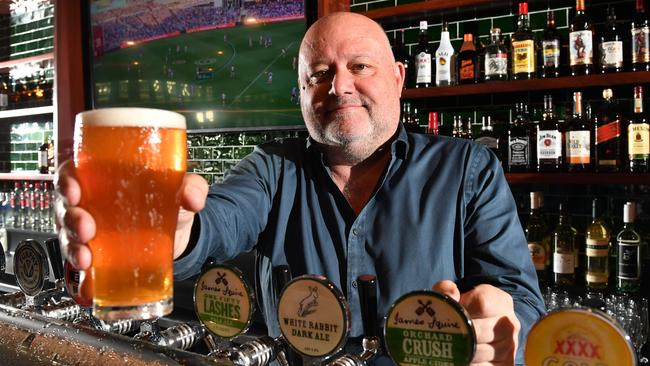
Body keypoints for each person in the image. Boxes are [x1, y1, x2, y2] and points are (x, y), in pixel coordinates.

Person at [57, 12, 544, 365]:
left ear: (399, 79)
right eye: (319, 73)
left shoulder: (468, 169)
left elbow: (521, 302)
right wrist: (173, 230)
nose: (339, 87)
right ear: (302, 96)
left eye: (360, 66)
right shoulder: (272, 168)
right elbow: (218, 221)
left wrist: (500, 331)